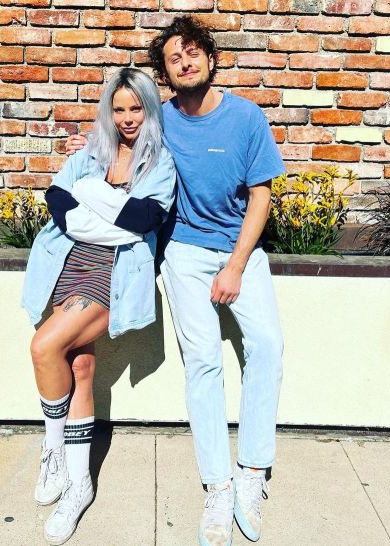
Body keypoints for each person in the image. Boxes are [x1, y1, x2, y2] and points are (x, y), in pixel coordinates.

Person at [66, 16, 285, 546]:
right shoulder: (158, 121)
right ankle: (218, 486)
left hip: (240, 251)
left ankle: (252, 471)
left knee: (267, 346)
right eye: (173, 58)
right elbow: (113, 149)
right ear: (164, 73)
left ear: (209, 57)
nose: (185, 63)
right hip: (183, 251)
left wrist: (235, 266)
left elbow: (261, 195)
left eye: (192, 52)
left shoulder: (246, 117)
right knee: (203, 360)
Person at [21, 67, 175, 545]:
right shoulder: (91, 151)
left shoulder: (161, 163)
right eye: (119, 108)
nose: (127, 118)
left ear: (150, 110)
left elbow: (143, 220)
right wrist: (107, 214)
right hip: (68, 263)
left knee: (44, 347)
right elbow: (57, 201)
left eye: (137, 108)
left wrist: (88, 196)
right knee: (80, 365)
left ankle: (53, 450)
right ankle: (79, 481)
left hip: (114, 274)